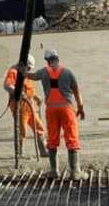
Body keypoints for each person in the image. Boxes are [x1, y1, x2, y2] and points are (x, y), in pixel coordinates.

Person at [25, 48, 86, 178]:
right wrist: (80, 107)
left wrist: (21, 71)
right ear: (57, 58)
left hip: (51, 109)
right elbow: (76, 91)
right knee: (71, 137)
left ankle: (54, 171)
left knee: (52, 139)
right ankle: (75, 172)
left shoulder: (43, 72)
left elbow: (32, 76)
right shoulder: (68, 72)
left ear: (47, 60)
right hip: (67, 109)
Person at [3, 54, 45, 152]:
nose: (29, 70)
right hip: (20, 107)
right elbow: (7, 85)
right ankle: (19, 153)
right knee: (22, 131)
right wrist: (17, 92)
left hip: (29, 105)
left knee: (39, 127)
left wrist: (35, 97)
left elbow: (28, 87)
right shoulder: (13, 72)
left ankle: (43, 150)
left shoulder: (24, 73)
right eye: (29, 68)